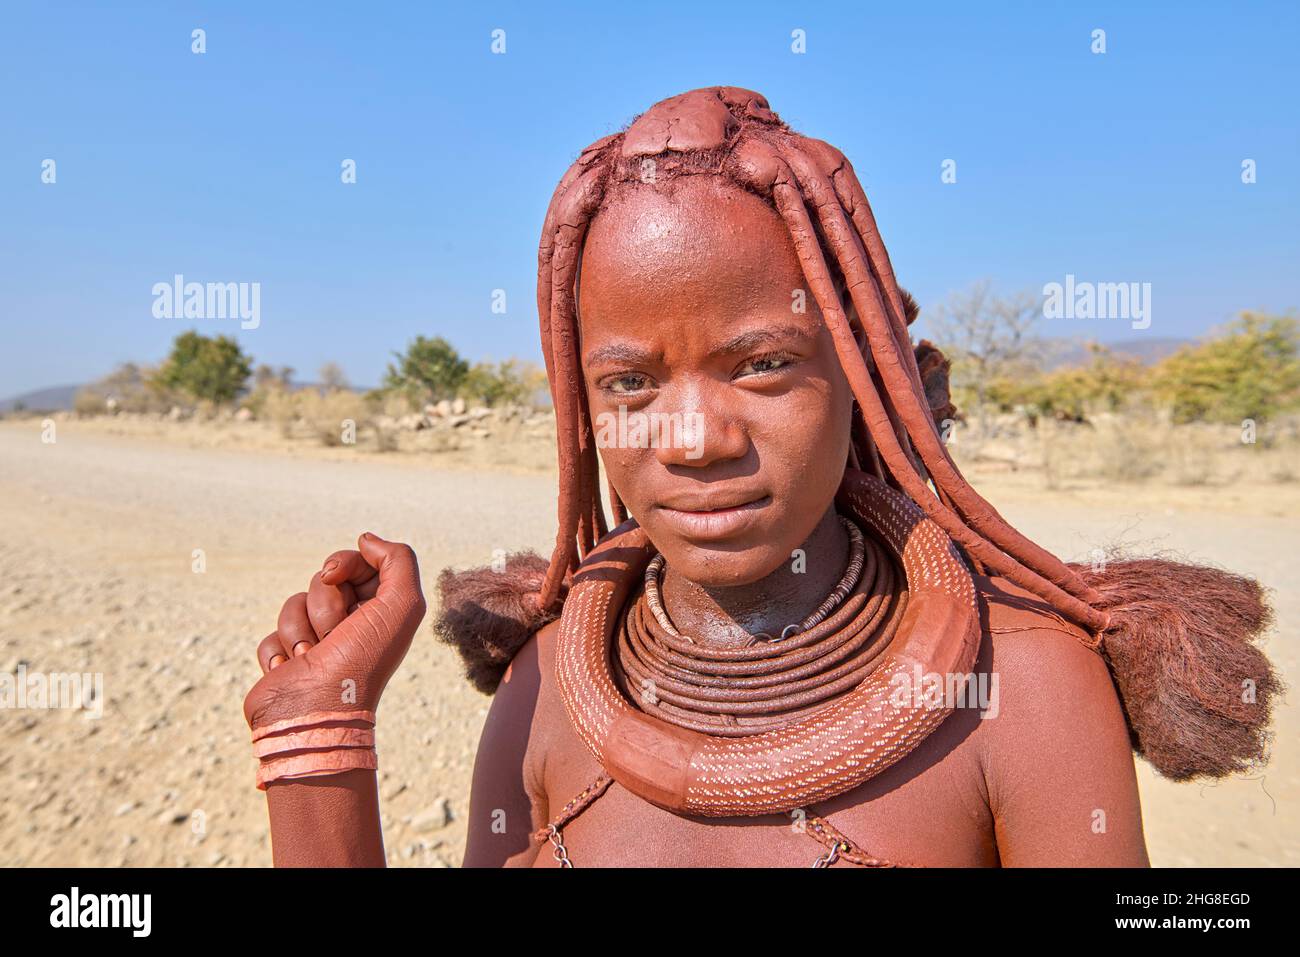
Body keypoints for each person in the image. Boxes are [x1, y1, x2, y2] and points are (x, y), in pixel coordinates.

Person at [243, 87, 1278, 868]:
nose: (692, 438)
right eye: (629, 380)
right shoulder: (550, 683)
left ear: (868, 380)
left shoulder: (1020, 690)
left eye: (762, 364)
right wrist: (318, 740)